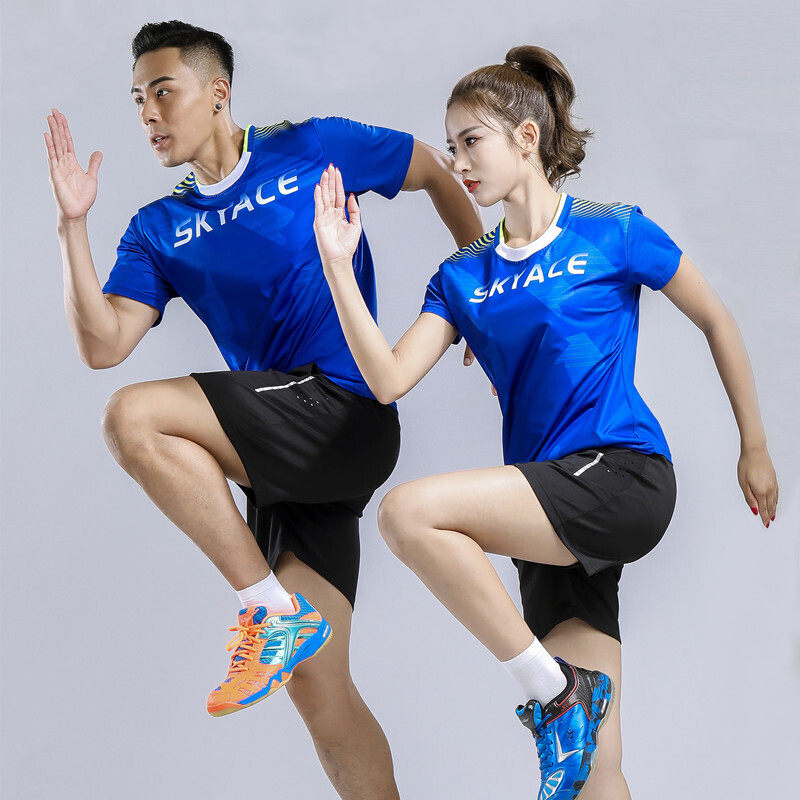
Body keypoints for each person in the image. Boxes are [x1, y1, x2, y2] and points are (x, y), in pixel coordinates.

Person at [312, 45, 779, 800]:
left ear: (526, 137)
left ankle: (554, 690)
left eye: (472, 141)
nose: (457, 162)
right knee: (594, 771)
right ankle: (566, 694)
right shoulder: (464, 275)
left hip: (621, 472)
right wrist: (338, 268)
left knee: (408, 514)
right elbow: (388, 378)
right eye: (451, 145)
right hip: (548, 510)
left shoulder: (612, 230)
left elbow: (716, 319)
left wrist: (752, 445)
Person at [45, 20, 482, 800]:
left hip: (343, 410)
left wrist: (480, 291)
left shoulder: (312, 146)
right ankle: (280, 619)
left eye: (163, 92)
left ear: (218, 93)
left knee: (132, 417)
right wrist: (72, 226)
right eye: (137, 99)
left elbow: (431, 170)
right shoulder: (158, 229)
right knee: (319, 689)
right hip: (282, 460)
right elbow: (104, 343)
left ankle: (266, 612)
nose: (148, 113)